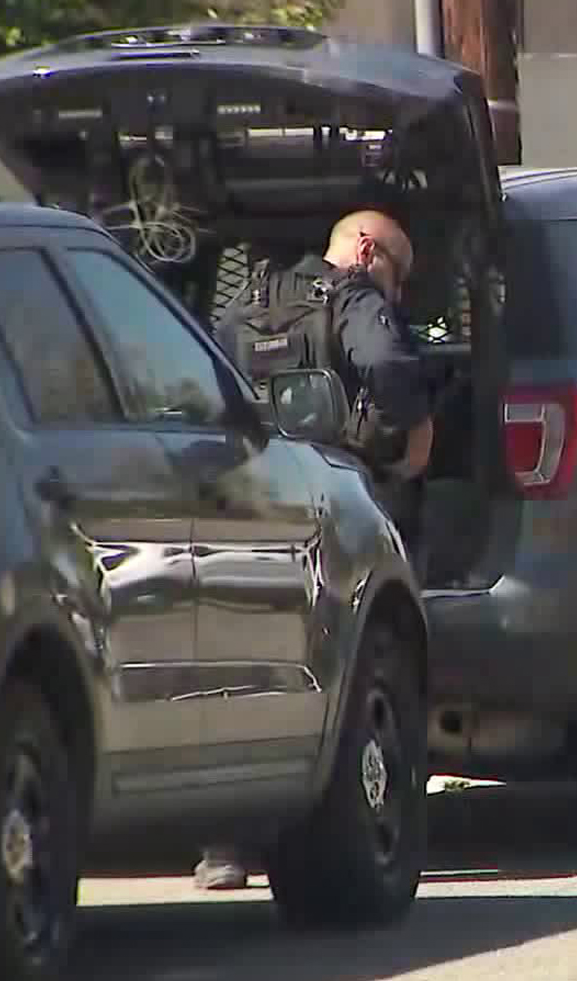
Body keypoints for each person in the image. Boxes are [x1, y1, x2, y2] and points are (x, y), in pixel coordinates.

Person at [194, 209, 438, 892]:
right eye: (397, 274)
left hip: (247, 501)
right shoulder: (352, 297)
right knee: (353, 663)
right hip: (332, 502)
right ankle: (356, 821)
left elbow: (203, 381)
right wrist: (401, 436)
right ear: (366, 250)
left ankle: (225, 846)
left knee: (244, 665)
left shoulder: (252, 300)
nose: (396, 294)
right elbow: (388, 363)